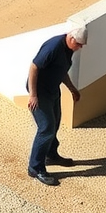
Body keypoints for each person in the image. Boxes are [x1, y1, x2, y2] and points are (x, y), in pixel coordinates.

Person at [26, 24, 85, 186]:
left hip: (52, 90)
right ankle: (35, 167)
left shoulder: (68, 49)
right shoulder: (53, 47)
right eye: (79, 44)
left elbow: (61, 70)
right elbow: (34, 67)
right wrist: (33, 95)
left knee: (55, 122)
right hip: (40, 92)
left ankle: (51, 154)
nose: (80, 48)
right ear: (71, 38)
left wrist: (72, 89)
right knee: (46, 128)